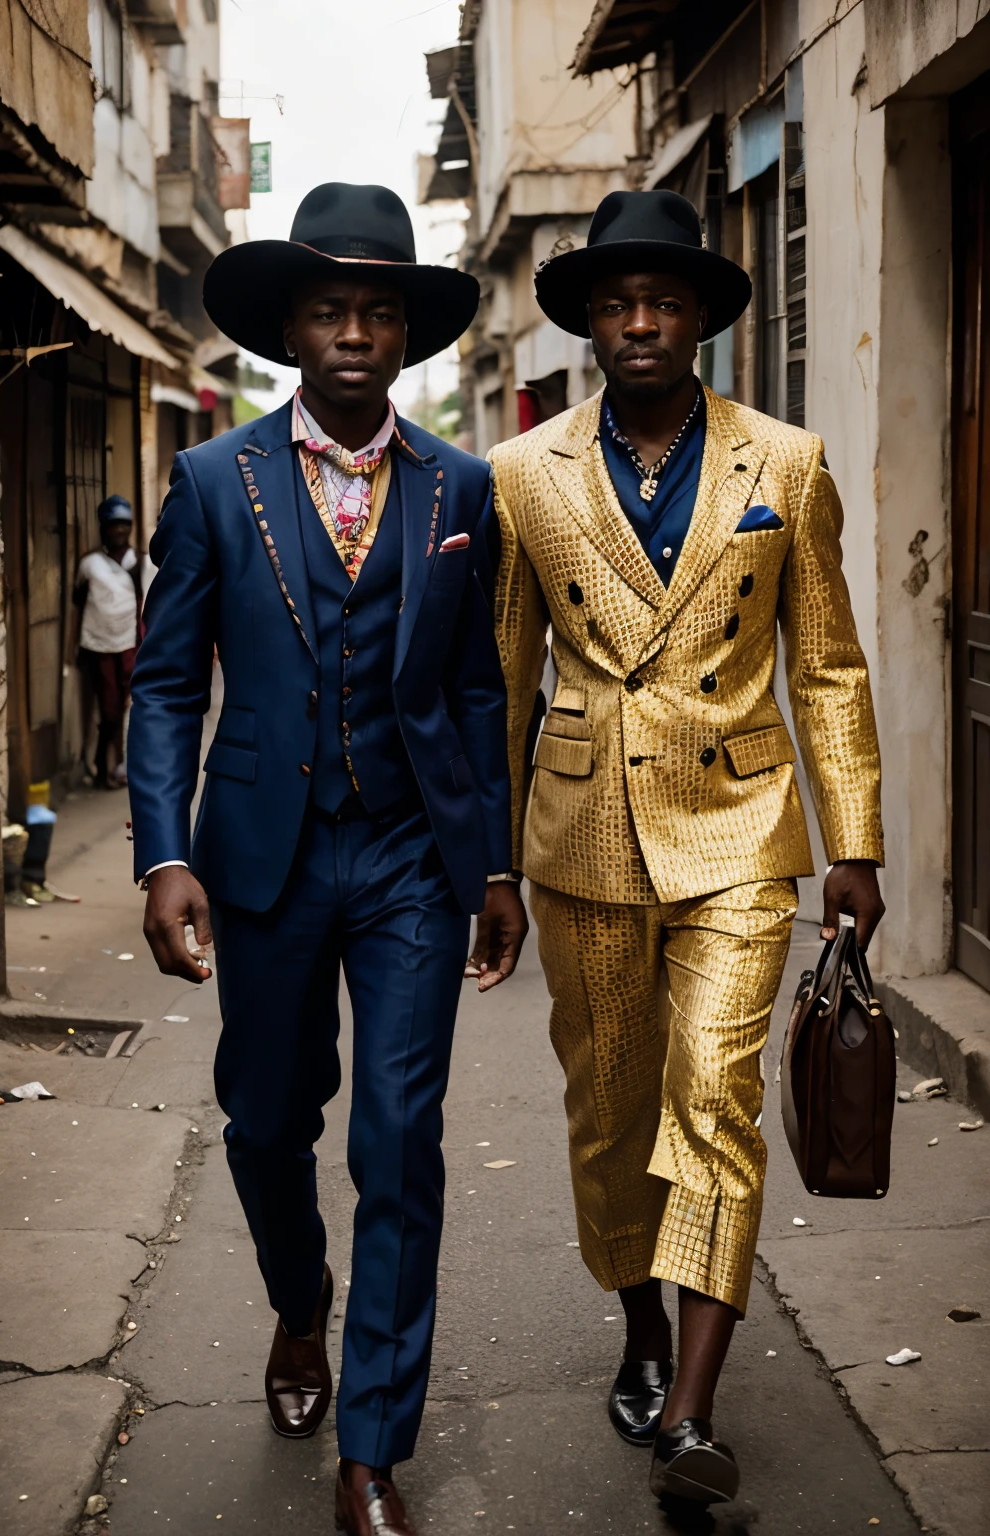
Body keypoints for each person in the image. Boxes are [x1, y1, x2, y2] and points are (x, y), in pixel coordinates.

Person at [127, 183, 528, 1536]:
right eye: (328, 309)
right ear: (291, 331)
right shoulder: (209, 480)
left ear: (403, 337)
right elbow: (171, 683)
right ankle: (299, 1302)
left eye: (376, 310)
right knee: (265, 1120)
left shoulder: (459, 486)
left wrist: (494, 869)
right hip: (263, 862)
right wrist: (158, 854)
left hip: (413, 858)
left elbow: (478, 693)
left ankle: (374, 1446)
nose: (353, 330)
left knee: (400, 1141)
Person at [486, 189, 884, 1505]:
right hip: (582, 836)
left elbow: (825, 666)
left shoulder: (787, 464)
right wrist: (491, 863)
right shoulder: (521, 476)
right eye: (617, 303)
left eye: (665, 300)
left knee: (712, 1100)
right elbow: (503, 680)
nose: (642, 321)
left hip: (738, 829)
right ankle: (642, 1328)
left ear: (705, 317)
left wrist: (857, 846)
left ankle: (694, 1418)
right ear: (591, 324)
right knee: (609, 1120)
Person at [72, 495, 147, 788]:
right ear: (103, 528)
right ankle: (102, 766)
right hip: (98, 645)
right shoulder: (90, 564)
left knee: (131, 707)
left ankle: (124, 765)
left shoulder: (140, 562)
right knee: (108, 709)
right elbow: (77, 604)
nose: (118, 531)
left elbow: (147, 604)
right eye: (112, 525)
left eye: (123, 525)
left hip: (130, 644)